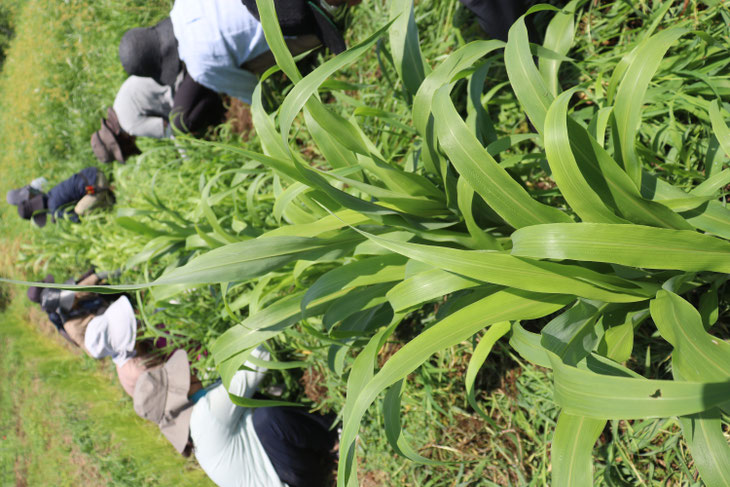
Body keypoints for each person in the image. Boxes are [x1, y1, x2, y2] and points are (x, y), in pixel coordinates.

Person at [133, 347, 338, 487]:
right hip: (296, 481)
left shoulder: (196, 431)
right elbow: (258, 362)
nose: (191, 371)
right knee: (267, 418)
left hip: (292, 474)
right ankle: (338, 439)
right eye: (184, 375)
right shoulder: (205, 417)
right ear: (182, 392)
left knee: (255, 409)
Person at [118, 0, 358, 119]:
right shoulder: (183, 3)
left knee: (243, 66)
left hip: (308, 15)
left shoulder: (199, 66)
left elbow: (254, 94)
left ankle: (311, 43)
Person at [12, 166, 113, 227]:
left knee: (79, 211)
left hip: (97, 184)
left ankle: (109, 202)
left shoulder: (54, 209)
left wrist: (58, 216)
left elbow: (76, 218)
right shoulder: (50, 194)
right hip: (93, 172)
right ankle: (107, 193)